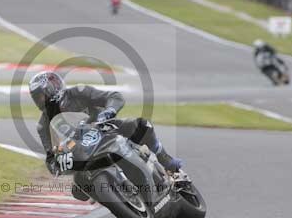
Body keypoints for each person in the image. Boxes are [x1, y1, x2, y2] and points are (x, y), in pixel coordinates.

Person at [29, 71, 182, 201]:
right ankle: (110, 196)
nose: (38, 101)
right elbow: (50, 158)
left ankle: (166, 161)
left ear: (52, 88)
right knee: (78, 192)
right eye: (35, 98)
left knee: (143, 125)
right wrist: (57, 162)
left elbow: (115, 96)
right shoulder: (43, 125)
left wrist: (109, 110)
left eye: (40, 96)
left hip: (105, 129)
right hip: (81, 152)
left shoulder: (78, 92)